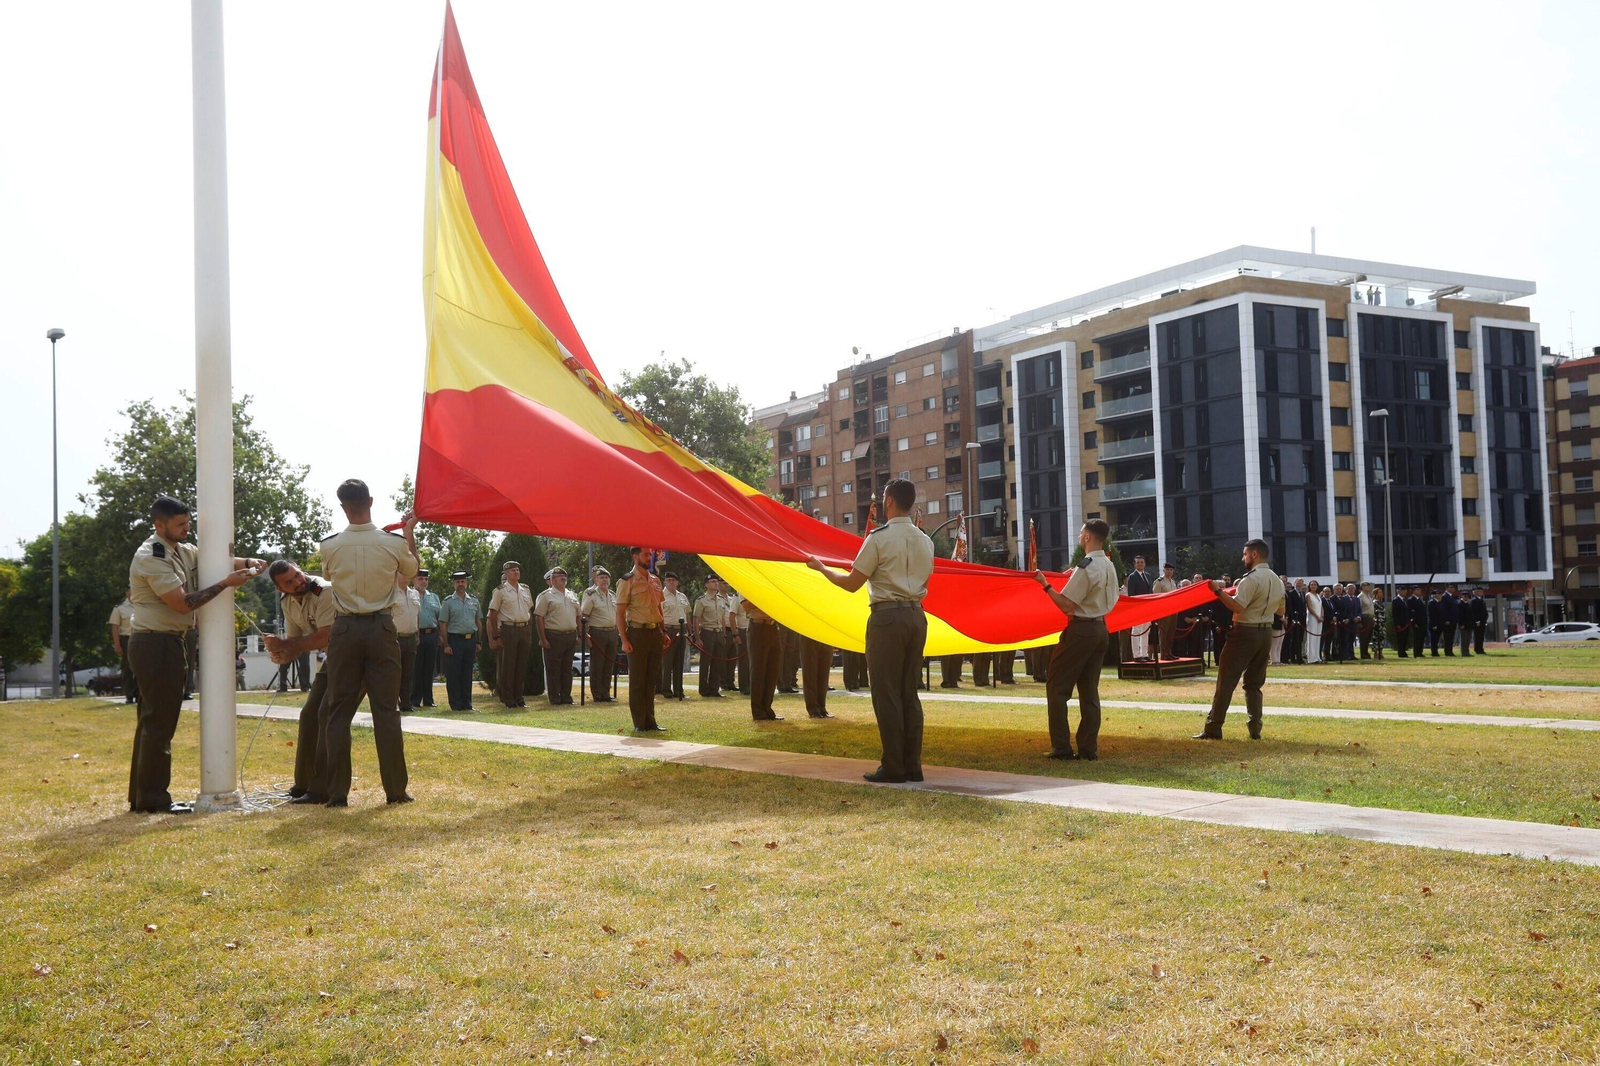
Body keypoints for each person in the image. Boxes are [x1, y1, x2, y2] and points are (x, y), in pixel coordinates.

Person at [125, 495, 262, 814]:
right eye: (180, 524)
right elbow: (182, 603)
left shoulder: (178, 549)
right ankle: (154, 799)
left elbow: (213, 559)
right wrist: (226, 584)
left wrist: (249, 563)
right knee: (159, 724)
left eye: (188, 522)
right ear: (160, 525)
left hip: (163, 642)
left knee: (151, 723)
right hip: (156, 644)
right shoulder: (152, 556)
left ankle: (143, 797)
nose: (187, 528)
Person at [807, 478, 935, 783]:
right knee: (908, 693)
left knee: (886, 693)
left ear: (889, 501)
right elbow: (925, 583)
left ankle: (893, 766)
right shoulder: (926, 541)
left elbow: (852, 583)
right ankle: (912, 765)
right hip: (917, 616)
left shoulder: (878, 538)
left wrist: (822, 569)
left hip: (887, 618)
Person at [313, 480, 420, 808]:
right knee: (387, 710)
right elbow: (412, 569)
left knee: (338, 710)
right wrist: (409, 531)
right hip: (381, 628)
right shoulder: (392, 542)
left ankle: (337, 794)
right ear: (370, 501)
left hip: (345, 629)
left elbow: (330, 574)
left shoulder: (329, 546)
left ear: (342, 505)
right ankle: (395, 791)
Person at [1033, 519, 1119, 761]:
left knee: (1057, 687)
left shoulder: (1086, 567)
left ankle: (1061, 746)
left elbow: (1067, 605)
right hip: (1101, 628)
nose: (1080, 537)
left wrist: (1045, 585)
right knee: (1089, 691)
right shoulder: (1108, 565)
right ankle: (1088, 747)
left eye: (1082, 533)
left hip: (1081, 630)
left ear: (1088, 537)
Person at [1194, 539, 1285, 740]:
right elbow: (1281, 610)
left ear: (1254, 554)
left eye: (1245, 554)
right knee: (1254, 683)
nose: (1243, 558)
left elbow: (1237, 606)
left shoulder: (1250, 579)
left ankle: (1213, 727)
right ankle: (1255, 728)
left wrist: (1217, 590)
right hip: (1265, 633)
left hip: (1245, 632)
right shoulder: (1277, 580)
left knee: (1226, 681)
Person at [263, 559, 338, 799]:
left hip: (352, 656)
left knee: (327, 715)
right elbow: (296, 644)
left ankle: (322, 789)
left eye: (297, 575)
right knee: (308, 715)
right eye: (289, 582)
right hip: (332, 659)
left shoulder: (324, 591)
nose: (298, 582)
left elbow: (324, 637)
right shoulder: (288, 603)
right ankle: (303, 784)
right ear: (279, 589)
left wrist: (284, 644)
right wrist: (282, 655)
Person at [615, 547, 667, 731]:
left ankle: (650, 721)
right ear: (635, 556)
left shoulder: (655, 579)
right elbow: (620, 613)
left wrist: (664, 631)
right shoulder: (626, 581)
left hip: (655, 634)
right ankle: (639, 723)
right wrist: (624, 640)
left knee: (652, 679)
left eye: (650, 555)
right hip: (637, 633)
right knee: (637, 680)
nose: (649, 558)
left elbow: (658, 608)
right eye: (645, 554)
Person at [487, 560, 535, 707]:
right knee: (508, 666)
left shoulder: (525, 589)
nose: (516, 572)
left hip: (523, 629)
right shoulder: (500, 591)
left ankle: (519, 697)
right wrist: (496, 636)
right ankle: (508, 699)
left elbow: (529, 612)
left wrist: (529, 633)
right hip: (508, 629)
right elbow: (493, 614)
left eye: (517, 570)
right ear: (506, 574)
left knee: (521, 665)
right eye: (513, 570)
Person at [439, 570, 483, 710]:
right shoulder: (448, 602)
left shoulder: (474, 601)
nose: (460, 584)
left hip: (470, 640)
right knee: (454, 673)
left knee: (467, 672)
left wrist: (478, 641)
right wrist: (446, 644)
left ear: (467, 583)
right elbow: (443, 624)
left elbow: (478, 622)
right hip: (455, 640)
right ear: (454, 584)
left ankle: (467, 703)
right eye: (458, 582)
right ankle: (456, 704)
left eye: (463, 581)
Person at [536, 566, 580, 705]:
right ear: (552, 580)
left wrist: (579, 635)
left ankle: (566, 696)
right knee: (554, 668)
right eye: (559, 576)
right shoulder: (546, 595)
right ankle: (555, 697)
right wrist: (543, 638)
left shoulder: (572, 595)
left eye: (564, 576)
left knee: (567, 668)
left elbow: (579, 616)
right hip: (553, 635)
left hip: (570, 635)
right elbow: (539, 617)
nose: (563, 578)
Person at [743, 596, 784, 721]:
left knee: (772, 671)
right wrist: (762, 595)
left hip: (773, 626)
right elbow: (746, 606)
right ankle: (758, 712)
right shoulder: (746, 584)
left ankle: (767, 709)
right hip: (758, 626)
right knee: (758, 670)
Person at [581, 567, 619, 701]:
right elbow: (584, 616)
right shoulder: (591, 594)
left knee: (609, 664)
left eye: (606, 578)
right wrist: (585, 636)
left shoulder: (613, 595)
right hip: (597, 632)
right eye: (601, 577)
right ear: (596, 580)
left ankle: (606, 693)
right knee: (598, 665)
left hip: (612, 632)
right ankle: (597, 694)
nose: (604, 580)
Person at [392, 572, 422, 712]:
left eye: (406, 573)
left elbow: (417, 616)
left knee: (408, 672)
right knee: (395, 672)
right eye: (401, 573)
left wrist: (417, 634)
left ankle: (406, 703)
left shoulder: (414, 593)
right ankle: (393, 702)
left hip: (411, 637)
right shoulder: (391, 593)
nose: (405, 576)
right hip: (396, 637)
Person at [657, 571, 690, 699]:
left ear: (677, 582)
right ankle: (666, 690)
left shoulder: (682, 596)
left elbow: (687, 615)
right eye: (669, 580)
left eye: (674, 580)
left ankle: (678, 690)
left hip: (681, 630)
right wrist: (662, 631)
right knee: (667, 661)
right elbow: (659, 615)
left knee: (679, 661)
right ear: (665, 582)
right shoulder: (661, 596)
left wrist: (689, 632)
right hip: (668, 630)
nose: (672, 582)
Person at [411, 570, 441, 707]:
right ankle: (415, 699)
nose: (423, 581)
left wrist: (440, 635)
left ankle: (429, 700)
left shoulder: (434, 597)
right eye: (420, 579)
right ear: (414, 580)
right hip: (417, 635)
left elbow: (440, 618)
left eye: (425, 579)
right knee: (416, 669)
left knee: (429, 669)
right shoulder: (410, 595)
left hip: (432, 635)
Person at [692, 578, 726, 697]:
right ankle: (704, 690)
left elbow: (723, 619)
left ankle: (714, 689)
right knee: (705, 663)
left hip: (719, 633)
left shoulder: (721, 600)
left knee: (717, 663)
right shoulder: (701, 601)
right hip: (707, 632)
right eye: (712, 581)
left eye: (717, 582)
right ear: (706, 584)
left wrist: (724, 634)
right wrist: (697, 638)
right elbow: (696, 619)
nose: (716, 583)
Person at [108, 591, 139, 704]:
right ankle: (129, 695)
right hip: (127, 639)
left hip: (140, 638)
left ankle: (139, 693)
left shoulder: (142, 605)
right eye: (131, 589)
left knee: (140, 668)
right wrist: (117, 645)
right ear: (127, 593)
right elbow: (115, 627)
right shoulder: (119, 608)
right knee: (128, 668)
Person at [1124, 555, 1154, 661]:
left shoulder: (1148, 576)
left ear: (1145, 564)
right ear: (1134, 564)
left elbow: (1151, 592)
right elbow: (1131, 594)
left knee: (1146, 631)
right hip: (1137, 608)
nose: (1140, 564)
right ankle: (1136, 655)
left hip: (1147, 608)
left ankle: (1144, 654)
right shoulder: (1132, 577)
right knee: (1136, 631)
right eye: (1138, 562)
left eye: (1141, 562)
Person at [800, 634, 835, 718]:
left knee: (824, 674)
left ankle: (822, 707)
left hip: (827, 635)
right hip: (809, 634)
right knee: (810, 672)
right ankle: (813, 709)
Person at [726, 587, 751, 695]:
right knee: (744, 661)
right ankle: (744, 686)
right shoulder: (737, 596)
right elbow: (732, 616)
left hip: (753, 629)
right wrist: (735, 634)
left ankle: (752, 684)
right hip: (742, 630)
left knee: (753, 660)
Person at [1152, 563, 1179, 660]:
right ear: (1163, 570)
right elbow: (1155, 596)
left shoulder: (1173, 582)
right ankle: (1163, 653)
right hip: (1164, 610)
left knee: (1171, 632)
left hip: (1173, 610)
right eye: (1167, 569)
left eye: (1171, 570)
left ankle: (1169, 652)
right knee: (1164, 632)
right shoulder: (1159, 581)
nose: (1169, 571)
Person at [1285, 578, 1306, 664]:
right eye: (1298, 583)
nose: (1299, 584)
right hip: (1295, 619)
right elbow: (1290, 606)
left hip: (1302, 619)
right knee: (1294, 639)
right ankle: (1293, 657)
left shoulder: (1302, 593)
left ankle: (1299, 657)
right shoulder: (1291, 593)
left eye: (1301, 583)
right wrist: (1293, 618)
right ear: (1294, 583)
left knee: (1300, 639)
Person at [1304, 579, 1325, 664]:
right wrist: (1317, 617)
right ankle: (1312, 658)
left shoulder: (1318, 595)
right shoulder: (1308, 595)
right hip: (1312, 617)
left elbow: (1321, 607)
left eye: (1315, 585)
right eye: (1311, 584)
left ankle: (1317, 657)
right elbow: (1310, 607)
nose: (1313, 586)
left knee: (1318, 637)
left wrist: (1322, 616)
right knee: (1312, 637)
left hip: (1319, 618)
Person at [1449, 583, 1471, 657]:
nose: (1466, 597)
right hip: (1463, 625)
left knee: (1468, 639)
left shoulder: (1468, 604)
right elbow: (1459, 615)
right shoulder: (1460, 604)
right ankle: (1463, 652)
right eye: (1464, 596)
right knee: (1464, 639)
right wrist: (1461, 624)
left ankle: (1467, 651)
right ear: (1461, 596)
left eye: (1467, 596)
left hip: (1469, 625)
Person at [1407, 586, 1428, 659]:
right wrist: (1414, 623)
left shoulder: (1419, 600)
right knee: (1417, 638)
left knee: (1421, 638)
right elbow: (1411, 612)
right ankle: (1416, 653)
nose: (1419, 591)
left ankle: (1420, 652)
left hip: (1422, 622)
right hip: (1417, 623)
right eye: (1418, 590)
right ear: (1413, 591)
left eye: (1420, 589)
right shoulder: (1411, 600)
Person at [1357, 582, 1375, 660]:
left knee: (1368, 637)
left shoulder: (1369, 596)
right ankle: (1363, 653)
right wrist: (1359, 621)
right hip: (1364, 618)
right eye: (1366, 586)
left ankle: (1366, 652)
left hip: (1370, 618)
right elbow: (1358, 609)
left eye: (1368, 586)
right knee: (1364, 637)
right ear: (1362, 587)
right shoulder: (1360, 597)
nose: (1368, 587)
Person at [1427, 588, 1446, 657]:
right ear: (1435, 595)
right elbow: (1432, 615)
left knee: (1437, 639)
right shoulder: (1432, 603)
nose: (1440, 596)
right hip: (1434, 625)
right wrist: (1433, 625)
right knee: (1434, 640)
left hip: (1439, 624)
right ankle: (1434, 652)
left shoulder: (1439, 603)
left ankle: (1435, 652)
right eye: (1439, 594)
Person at [1469, 588, 1489, 653]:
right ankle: (1477, 649)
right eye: (1480, 591)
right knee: (1477, 636)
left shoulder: (1481, 600)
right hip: (1478, 622)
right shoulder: (1474, 601)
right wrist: (1477, 621)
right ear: (1476, 592)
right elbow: (1474, 612)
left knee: (1481, 636)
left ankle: (1481, 648)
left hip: (1483, 621)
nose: (1482, 593)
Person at [1371, 587, 1387, 661]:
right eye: (1380, 592)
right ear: (1376, 594)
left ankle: (1381, 652)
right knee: (1376, 638)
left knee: (1382, 638)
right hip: (1377, 623)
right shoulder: (1374, 603)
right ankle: (1376, 653)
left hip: (1382, 622)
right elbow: (1373, 613)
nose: (1381, 594)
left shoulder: (1381, 603)